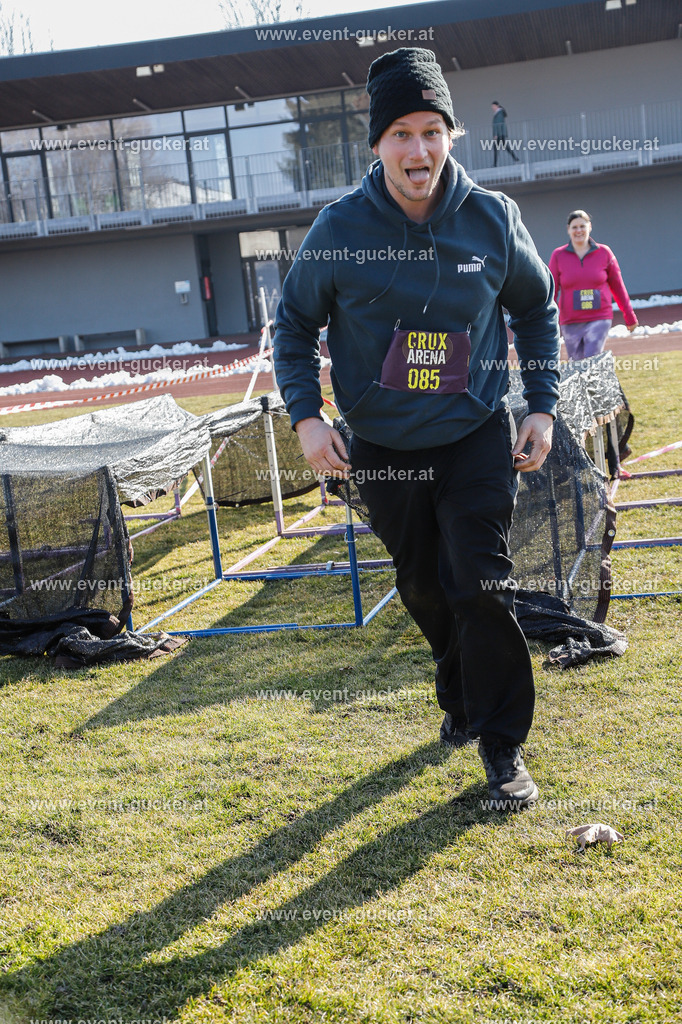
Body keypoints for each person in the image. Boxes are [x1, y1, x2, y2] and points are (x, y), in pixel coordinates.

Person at [273, 48, 561, 809]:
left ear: (451, 136)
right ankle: (460, 697)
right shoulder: (339, 229)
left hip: (474, 435)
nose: (418, 149)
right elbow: (293, 326)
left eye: (432, 130)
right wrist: (307, 418)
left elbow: (536, 310)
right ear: (377, 144)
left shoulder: (492, 219)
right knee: (425, 588)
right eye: (400, 132)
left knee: (481, 581)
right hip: (383, 446)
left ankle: (502, 745)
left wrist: (541, 405)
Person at [549, 210, 638, 477]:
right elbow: (551, 289)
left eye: (583, 226)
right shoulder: (558, 256)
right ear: (568, 230)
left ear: (589, 227)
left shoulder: (604, 253)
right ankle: (593, 449)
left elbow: (617, 285)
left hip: (599, 318)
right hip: (570, 321)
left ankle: (613, 449)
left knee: (590, 366)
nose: (579, 230)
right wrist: (546, 320)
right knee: (578, 376)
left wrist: (629, 316)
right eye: (574, 227)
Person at [491, 101, 519, 167]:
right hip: (500, 134)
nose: (492, 108)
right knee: (503, 147)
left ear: (497, 106)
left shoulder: (499, 113)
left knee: (497, 148)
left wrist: (496, 134)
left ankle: (495, 164)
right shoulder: (498, 113)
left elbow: (498, 124)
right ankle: (515, 158)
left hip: (500, 134)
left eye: (493, 106)